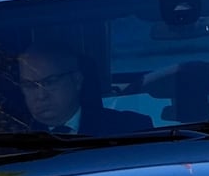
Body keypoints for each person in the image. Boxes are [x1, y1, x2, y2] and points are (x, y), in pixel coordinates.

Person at [17, 44, 151, 135]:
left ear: (77, 80)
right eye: (29, 85)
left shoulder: (130, 129)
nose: (40, 95)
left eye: (50, 82)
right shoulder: (10, 141)